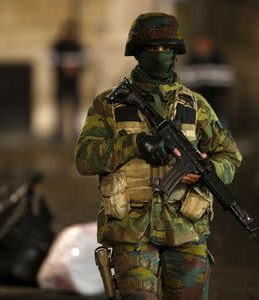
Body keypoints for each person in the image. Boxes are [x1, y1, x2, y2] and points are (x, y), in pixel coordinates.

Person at [74, 13, 242, 299]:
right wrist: (136, 144)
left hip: (187, 230)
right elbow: (85, 158)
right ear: (137, 53)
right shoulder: (110, 104)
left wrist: (206, 170)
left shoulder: (195, 105)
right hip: (132, 233)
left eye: (166, 49)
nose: (160, 55)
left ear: (176, 54)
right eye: (152, 49)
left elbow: (230, 155)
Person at [50, 21, 84, 142]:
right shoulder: (58, 45)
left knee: (75, 107)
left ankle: (75, 132)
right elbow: (53, 60)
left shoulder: (77, 45)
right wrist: (64, 68)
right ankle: (58, 132)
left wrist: (75, 69)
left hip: (74, 82)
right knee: (59, 107)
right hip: (61, 81)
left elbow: (83, 61)